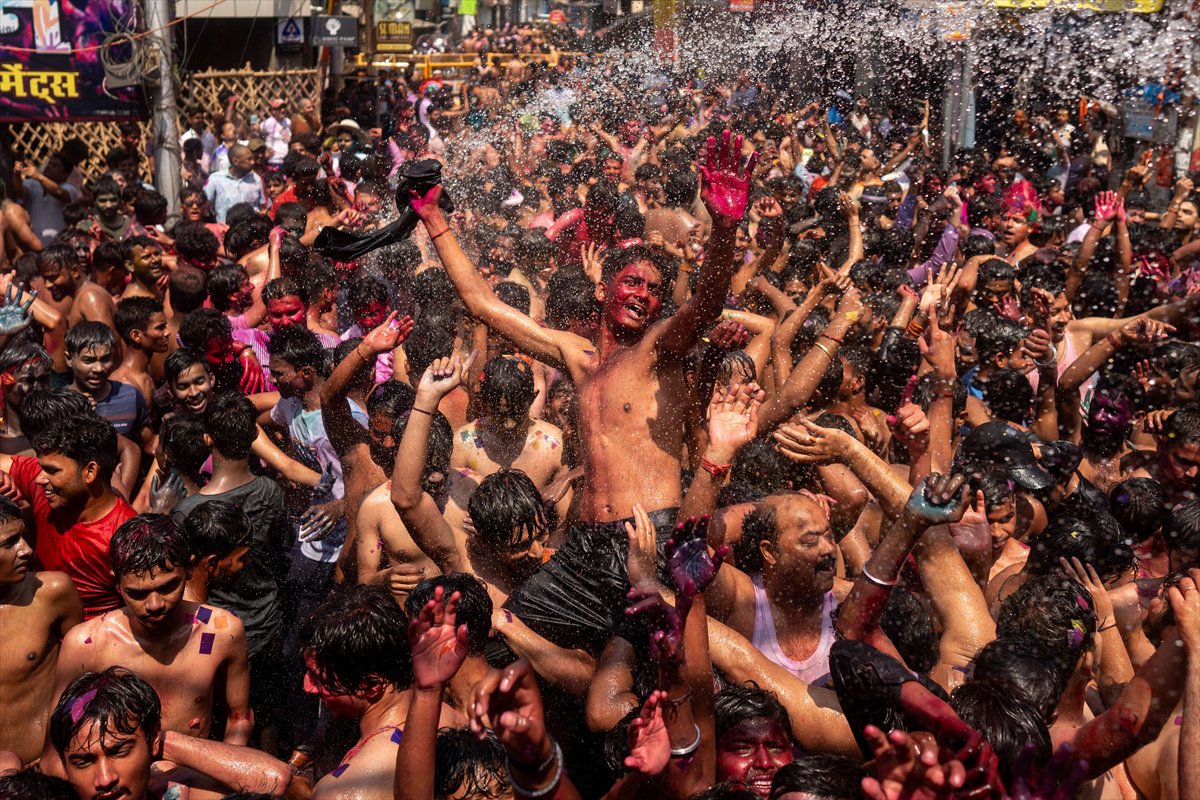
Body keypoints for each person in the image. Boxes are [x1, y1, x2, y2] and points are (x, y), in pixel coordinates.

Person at [416, 131, 758, 649]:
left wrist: (727, 228)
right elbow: (483, 305)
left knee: (647, 671)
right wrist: (435, 221)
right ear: (603, 288)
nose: (643, 295)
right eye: (632, 283)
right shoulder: (574, 356)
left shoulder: (657, 351)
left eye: (653, 290)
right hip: (582, 549)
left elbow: (706, 303)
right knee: (502, 640)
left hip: (647, 540)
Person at [47, 514, 252, 759]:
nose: (154, 605)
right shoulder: (86, 644)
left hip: (191, 774)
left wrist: (218, 776)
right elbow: (58, 739)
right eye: (137, 593)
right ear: (117, 583)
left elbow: (239, 718)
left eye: (167, 587)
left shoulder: (221, 631)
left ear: (188, 570)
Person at [300, 584, 462, 799]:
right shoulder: (451, 716)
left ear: (369, 685)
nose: (307, 686)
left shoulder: (344, 791)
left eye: (319, 678)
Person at [48, 667, 291, 799]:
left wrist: (164, 741)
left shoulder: (173, 791)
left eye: (120, 751)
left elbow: (273, 780)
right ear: (64, 765)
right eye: (83, 761)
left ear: (152, 740)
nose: (104, 779)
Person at [2, 414, 134, 618]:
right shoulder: (48, 491)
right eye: (41, 467)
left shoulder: (125, 537)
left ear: (90, 472)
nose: (39, 478)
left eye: (51, 470)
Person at [0, 495, 83, 766]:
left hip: (46, 768)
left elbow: (87, 679)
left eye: (22, 537)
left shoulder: (52, 593)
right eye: (9, 543)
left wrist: (64, 746)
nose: (26, 549)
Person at [63, 322, 149, 442]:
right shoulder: (56, 405)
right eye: (88, 360)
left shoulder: (130, 397)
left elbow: (149, 445)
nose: (99, 368)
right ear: (69, 359)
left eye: (105, 359)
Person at [111, 297, 170, 407]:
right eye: (160, 328)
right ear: (136, 336)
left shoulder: (147, 371)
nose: (168, 332)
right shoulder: (124, 385)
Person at [204, 145, 266, 224]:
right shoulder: (216, 179)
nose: (253, 162)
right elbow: (206, 205)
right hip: (224, 230)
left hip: (250, 229)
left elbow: (262, 207)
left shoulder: (256, 179)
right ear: (235, 161)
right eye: (249, 159)